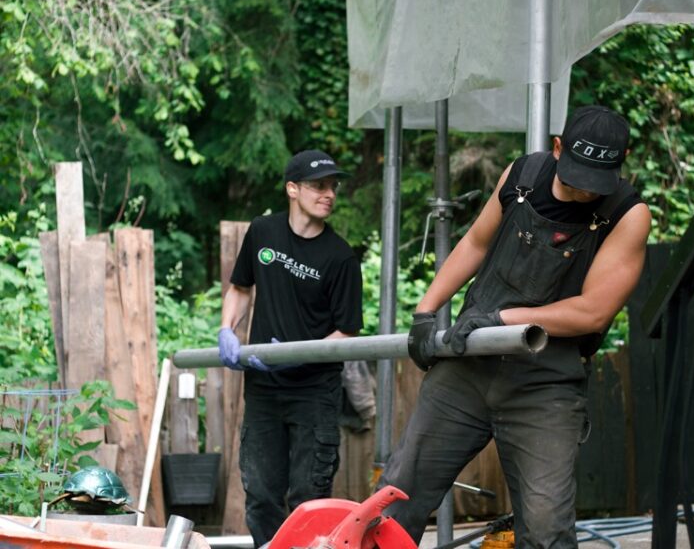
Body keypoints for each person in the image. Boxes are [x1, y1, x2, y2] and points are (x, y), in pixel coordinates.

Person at [380, 105, 652, 548]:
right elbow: (476, 241)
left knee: (546, 526)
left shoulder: (627, 214)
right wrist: (426, 313)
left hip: (545, 385)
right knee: (397, 497)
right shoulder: (523, 175)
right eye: (575, 176)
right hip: (467, 369)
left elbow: (593, 312)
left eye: (595, 181)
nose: (585, 190)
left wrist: (504, 320)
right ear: (558, 148)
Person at [218, 149, 363, 548]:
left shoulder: (341, 257)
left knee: (308, 498)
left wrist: (299, 353)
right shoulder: (263, 232)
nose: (329, 193)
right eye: (319, 185)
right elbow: (241, 288)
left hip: (313, 392)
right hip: (263, 387)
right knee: (261, 496)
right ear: (292, 189)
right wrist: (226, 329)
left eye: (333, 186)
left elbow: (346, 333)